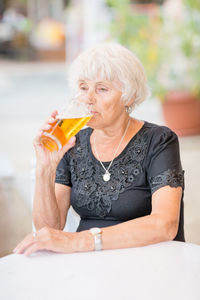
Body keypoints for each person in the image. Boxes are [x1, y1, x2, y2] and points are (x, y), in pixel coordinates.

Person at [14, 43, 185, 256]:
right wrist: (45, 168)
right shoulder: (73, 143)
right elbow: (49, 229)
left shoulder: (159, 140)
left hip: (150, 263)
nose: (88, 98)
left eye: (102, 89)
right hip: (88, 267)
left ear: (129, 98)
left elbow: (165, 225)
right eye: (83, 88)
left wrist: (79, 241)